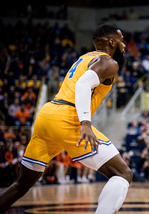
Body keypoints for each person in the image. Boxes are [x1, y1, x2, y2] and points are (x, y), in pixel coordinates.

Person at [0, 24, 133, 214]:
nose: (124, 45)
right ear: (112, 42)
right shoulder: (109, 62)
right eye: (121, 40)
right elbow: (83, 84)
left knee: (21, 185)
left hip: (47, 115)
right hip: (67, 118)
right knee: (123, 173)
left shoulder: (85, 57)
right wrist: (85, 123)